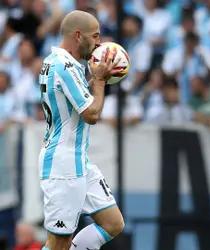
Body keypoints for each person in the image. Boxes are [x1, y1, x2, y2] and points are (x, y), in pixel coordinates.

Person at [38, 10, 124, 250]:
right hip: (62, 166)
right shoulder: (63, 66)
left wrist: (95, 80)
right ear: (78, 35)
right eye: (95, 36)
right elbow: (91, 114)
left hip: (78, 163)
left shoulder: (61, 63)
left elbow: (76, 103)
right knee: (59, 242)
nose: (99, 42)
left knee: (112, 223)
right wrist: (99, 81)